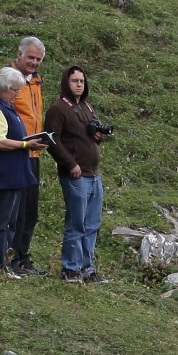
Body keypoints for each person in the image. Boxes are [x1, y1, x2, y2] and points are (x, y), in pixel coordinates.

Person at [43, 65, 107, 283]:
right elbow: (51, 139)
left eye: (82, 81)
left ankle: (87, 268)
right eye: (75, 81)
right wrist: (70, 163)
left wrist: (98, 135)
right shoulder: (58, 109)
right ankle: (70, 268)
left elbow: (91, 135)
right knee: (76, 223)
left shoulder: (87, 107)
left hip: (94, 175)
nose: (79, 85)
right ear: (66, 82)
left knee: (92, 225)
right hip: (76, 176)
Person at [0, 66, 40, 277]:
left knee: (11, 223)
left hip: (13, 175)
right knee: (0, 221)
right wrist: (26, 145)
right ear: (3, 88)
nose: (17, 95)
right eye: (15, 90)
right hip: (1, 175)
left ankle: (4, 262)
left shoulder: (7, 107)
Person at [7, 36, 46, 276]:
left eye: (38, 59)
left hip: (34, 152)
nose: (34, 62)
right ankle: (10, 257)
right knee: (17, 211)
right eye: (30, 57)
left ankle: (22, 255)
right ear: (20, 55)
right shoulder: (10, 79)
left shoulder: (36, 81)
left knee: (31, 210)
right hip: (17, 151)